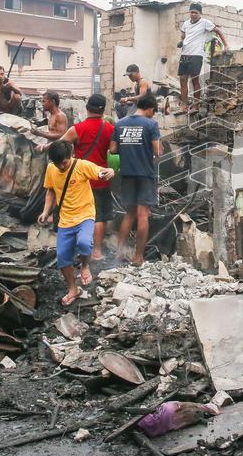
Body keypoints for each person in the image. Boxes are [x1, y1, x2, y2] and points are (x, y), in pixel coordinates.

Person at [38, 140, 114, 306]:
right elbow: (50, 191)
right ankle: (73, 289)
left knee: (84, 242)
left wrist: (110, 171)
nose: (61, 167)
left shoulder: (82, 166)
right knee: (62, 258)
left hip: (85, 214)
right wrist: (45, 211)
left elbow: (102, 172)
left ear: (71, 156)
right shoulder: (51, 169)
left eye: (64, 163)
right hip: (65, 219)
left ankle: (85, 266)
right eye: (57, 164)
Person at [53, 93, 115, 260]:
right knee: (99, 217)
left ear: (87, 108)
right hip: (100, 177)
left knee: (77, 214)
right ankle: (97, 252)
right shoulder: (110, 129)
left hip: (80, 180)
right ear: (103, 110)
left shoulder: (77, 129)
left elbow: (59, 146)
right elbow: (114, 150)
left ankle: (75, 248)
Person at [110, 94, 161, 266]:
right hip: (146, 174)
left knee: (129, 213)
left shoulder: (120, 124)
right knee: (143, 214)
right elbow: (157, 151)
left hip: (127, 173)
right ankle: (138, 257)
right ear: (151, 109)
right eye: (153, 112)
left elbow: (113, 149)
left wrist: (128, 146)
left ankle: (119, 253)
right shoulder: (151, 124)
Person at [176, 2, 227, 114]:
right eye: (191, 12)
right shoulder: (186, 23)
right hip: (184, 55)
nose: (193, 14)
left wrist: (226, 46)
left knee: (195, 80)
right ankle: (184, 105)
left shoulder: (205, 23)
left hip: (196, 55)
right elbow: (183, 36)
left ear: (200, 13)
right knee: (183, 80)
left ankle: (196, 106)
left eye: (196, 13)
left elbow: (218, 31)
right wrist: (181, 42)